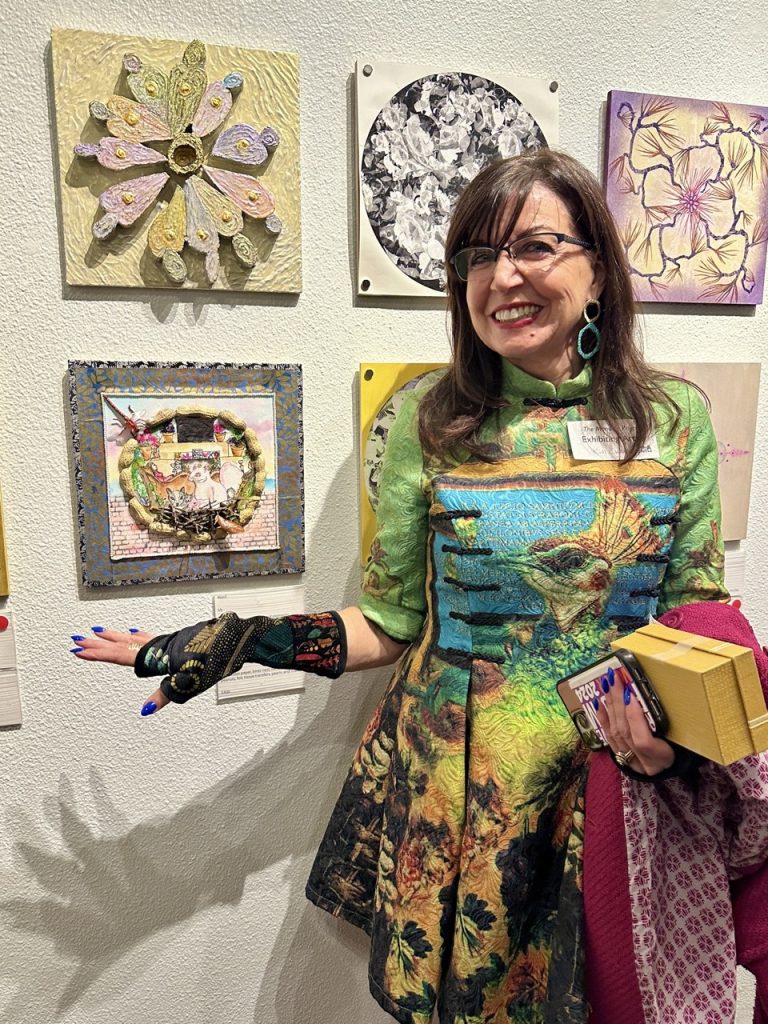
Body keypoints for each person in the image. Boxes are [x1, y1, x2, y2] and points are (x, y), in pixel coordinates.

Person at [73, 150, 730, 1023]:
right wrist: (245, 640)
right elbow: (387, 623)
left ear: (599, 270)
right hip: (459, 793)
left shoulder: (675, 419)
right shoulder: (433, 419)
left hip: (616, 778)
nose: (503, 277)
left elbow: (697, 618)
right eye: (478, 257)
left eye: (535, 247)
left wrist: (673, 742)